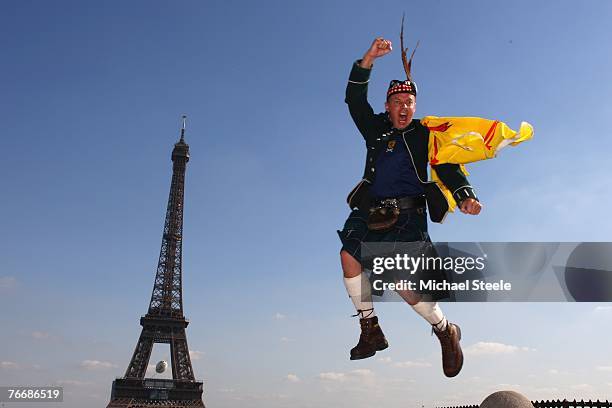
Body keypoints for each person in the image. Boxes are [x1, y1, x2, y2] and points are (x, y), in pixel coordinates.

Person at [338, 37, 482, 378]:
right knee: (348, 256)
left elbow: (448, 165)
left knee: (403, 282)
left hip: (409, 214)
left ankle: (446, 330)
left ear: (415, 106)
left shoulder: (425, 134)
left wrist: (465, 195)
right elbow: (353, 101)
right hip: (371, 211)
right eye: (397, 102)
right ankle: (370, 329)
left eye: (409, 102)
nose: (403, 108)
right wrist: (368, 58)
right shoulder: (374, 129)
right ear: (387, 106)